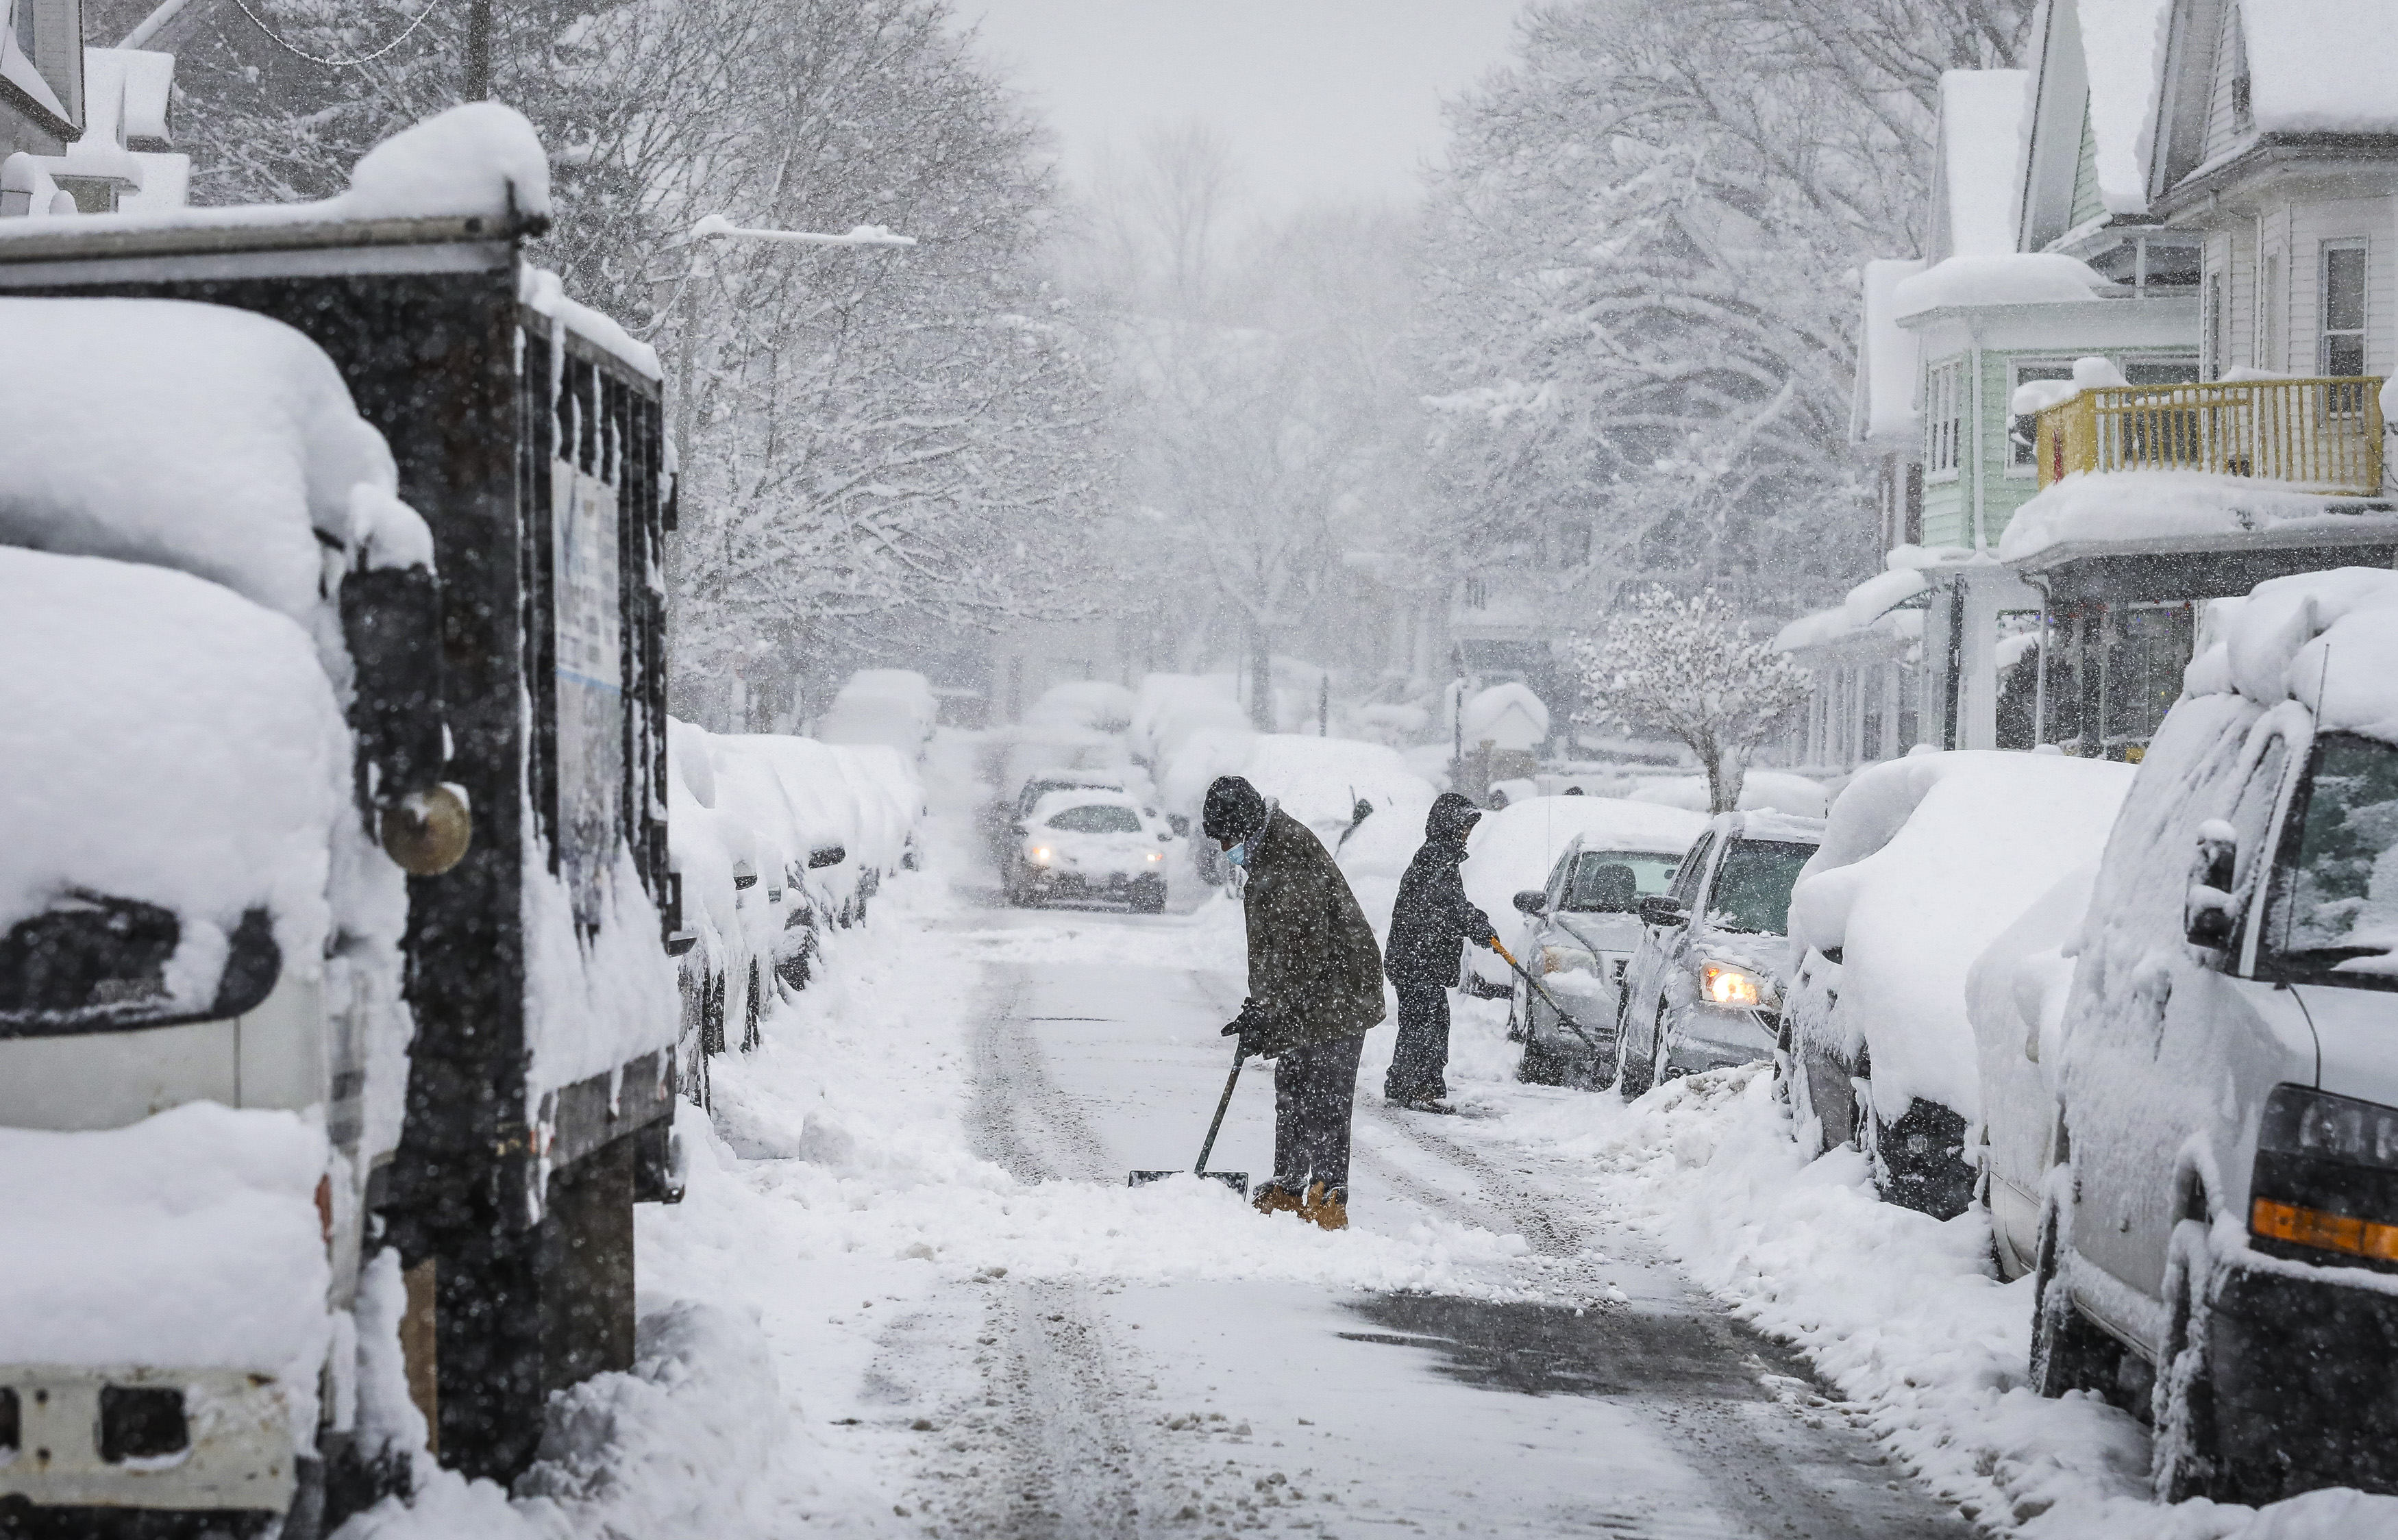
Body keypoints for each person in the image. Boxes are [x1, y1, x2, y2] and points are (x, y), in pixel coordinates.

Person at [1202, 775, 1386, 1231]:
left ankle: (1328, 1196)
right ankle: (1288, 1187)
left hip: (1341, 991)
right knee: (1295, 1083)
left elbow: (1302, 951)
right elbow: (1276, 952)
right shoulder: (1267, 856)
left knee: (1325, 1091)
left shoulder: (1289, 859)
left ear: (1245, 826)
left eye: (1228, 837)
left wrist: (1272, 1011)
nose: (1227, 847)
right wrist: (1261, 1007)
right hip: (1314, 991)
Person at [1381, 793, 1500, 1113]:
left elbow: (1450, 906)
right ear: (1449, 825)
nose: (1467, 834)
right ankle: (1418, 1088)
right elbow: (1448, 907)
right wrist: (1475, 924)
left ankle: (1403, 1081)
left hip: (1416, 959)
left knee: (1420, 1021)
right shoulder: (1436, 859)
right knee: (1428, 1023)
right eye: (1464, 827)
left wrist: (1475, 922)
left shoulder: (1440, 857)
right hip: (1416, 959)